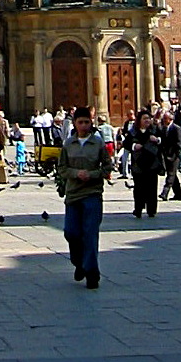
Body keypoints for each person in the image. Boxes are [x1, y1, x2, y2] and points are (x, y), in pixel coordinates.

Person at [56, 106, 114, 287]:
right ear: (74, 123)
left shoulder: (98, 143)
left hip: (92, 193)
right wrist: (75, 173)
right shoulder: (68, 144)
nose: (83, 125)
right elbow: (61, 168)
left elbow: (107, 167)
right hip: (73, 194)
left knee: (90, 233)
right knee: (71, 232)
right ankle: (79, 262)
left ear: (91, 122)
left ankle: (92, 273)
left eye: (87, 122)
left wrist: (93, 174)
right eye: (80, 122)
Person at [128, 112, 162, 219]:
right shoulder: (133, 132)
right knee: (138, 188)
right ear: (139, 120)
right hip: (138, 164)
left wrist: (157, 140)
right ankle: (138, 209)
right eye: (144, 118)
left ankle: (151, 210)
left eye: (149, 118)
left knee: (152, 187)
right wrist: (134, 146)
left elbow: (164, 140)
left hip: (152, 163)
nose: (147, 120)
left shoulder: (155, 130)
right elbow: (126, 143)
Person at [159, 111, 181, 201]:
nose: (164, 120)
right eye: (163, 119)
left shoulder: (177, 129)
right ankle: (178, 194)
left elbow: (179, 143)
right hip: (166, 155)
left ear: (170, 119)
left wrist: (177, 155)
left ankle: (164, 193)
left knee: (170, 174)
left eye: (165, 119)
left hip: (174, 156)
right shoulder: (163, 129)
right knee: (173, 175)